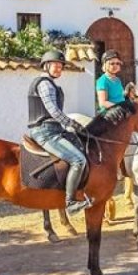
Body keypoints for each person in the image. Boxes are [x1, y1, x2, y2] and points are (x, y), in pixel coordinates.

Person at [28, 50, 93, 215]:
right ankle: (70, 203)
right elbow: (53, 111)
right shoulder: (45, 84)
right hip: (45, 132)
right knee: (78, 160)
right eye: (55, 65)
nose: (59, 68)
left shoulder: (50, 83)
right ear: (46, 65)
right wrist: (72, 123)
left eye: (61, 66)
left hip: (54, 129)